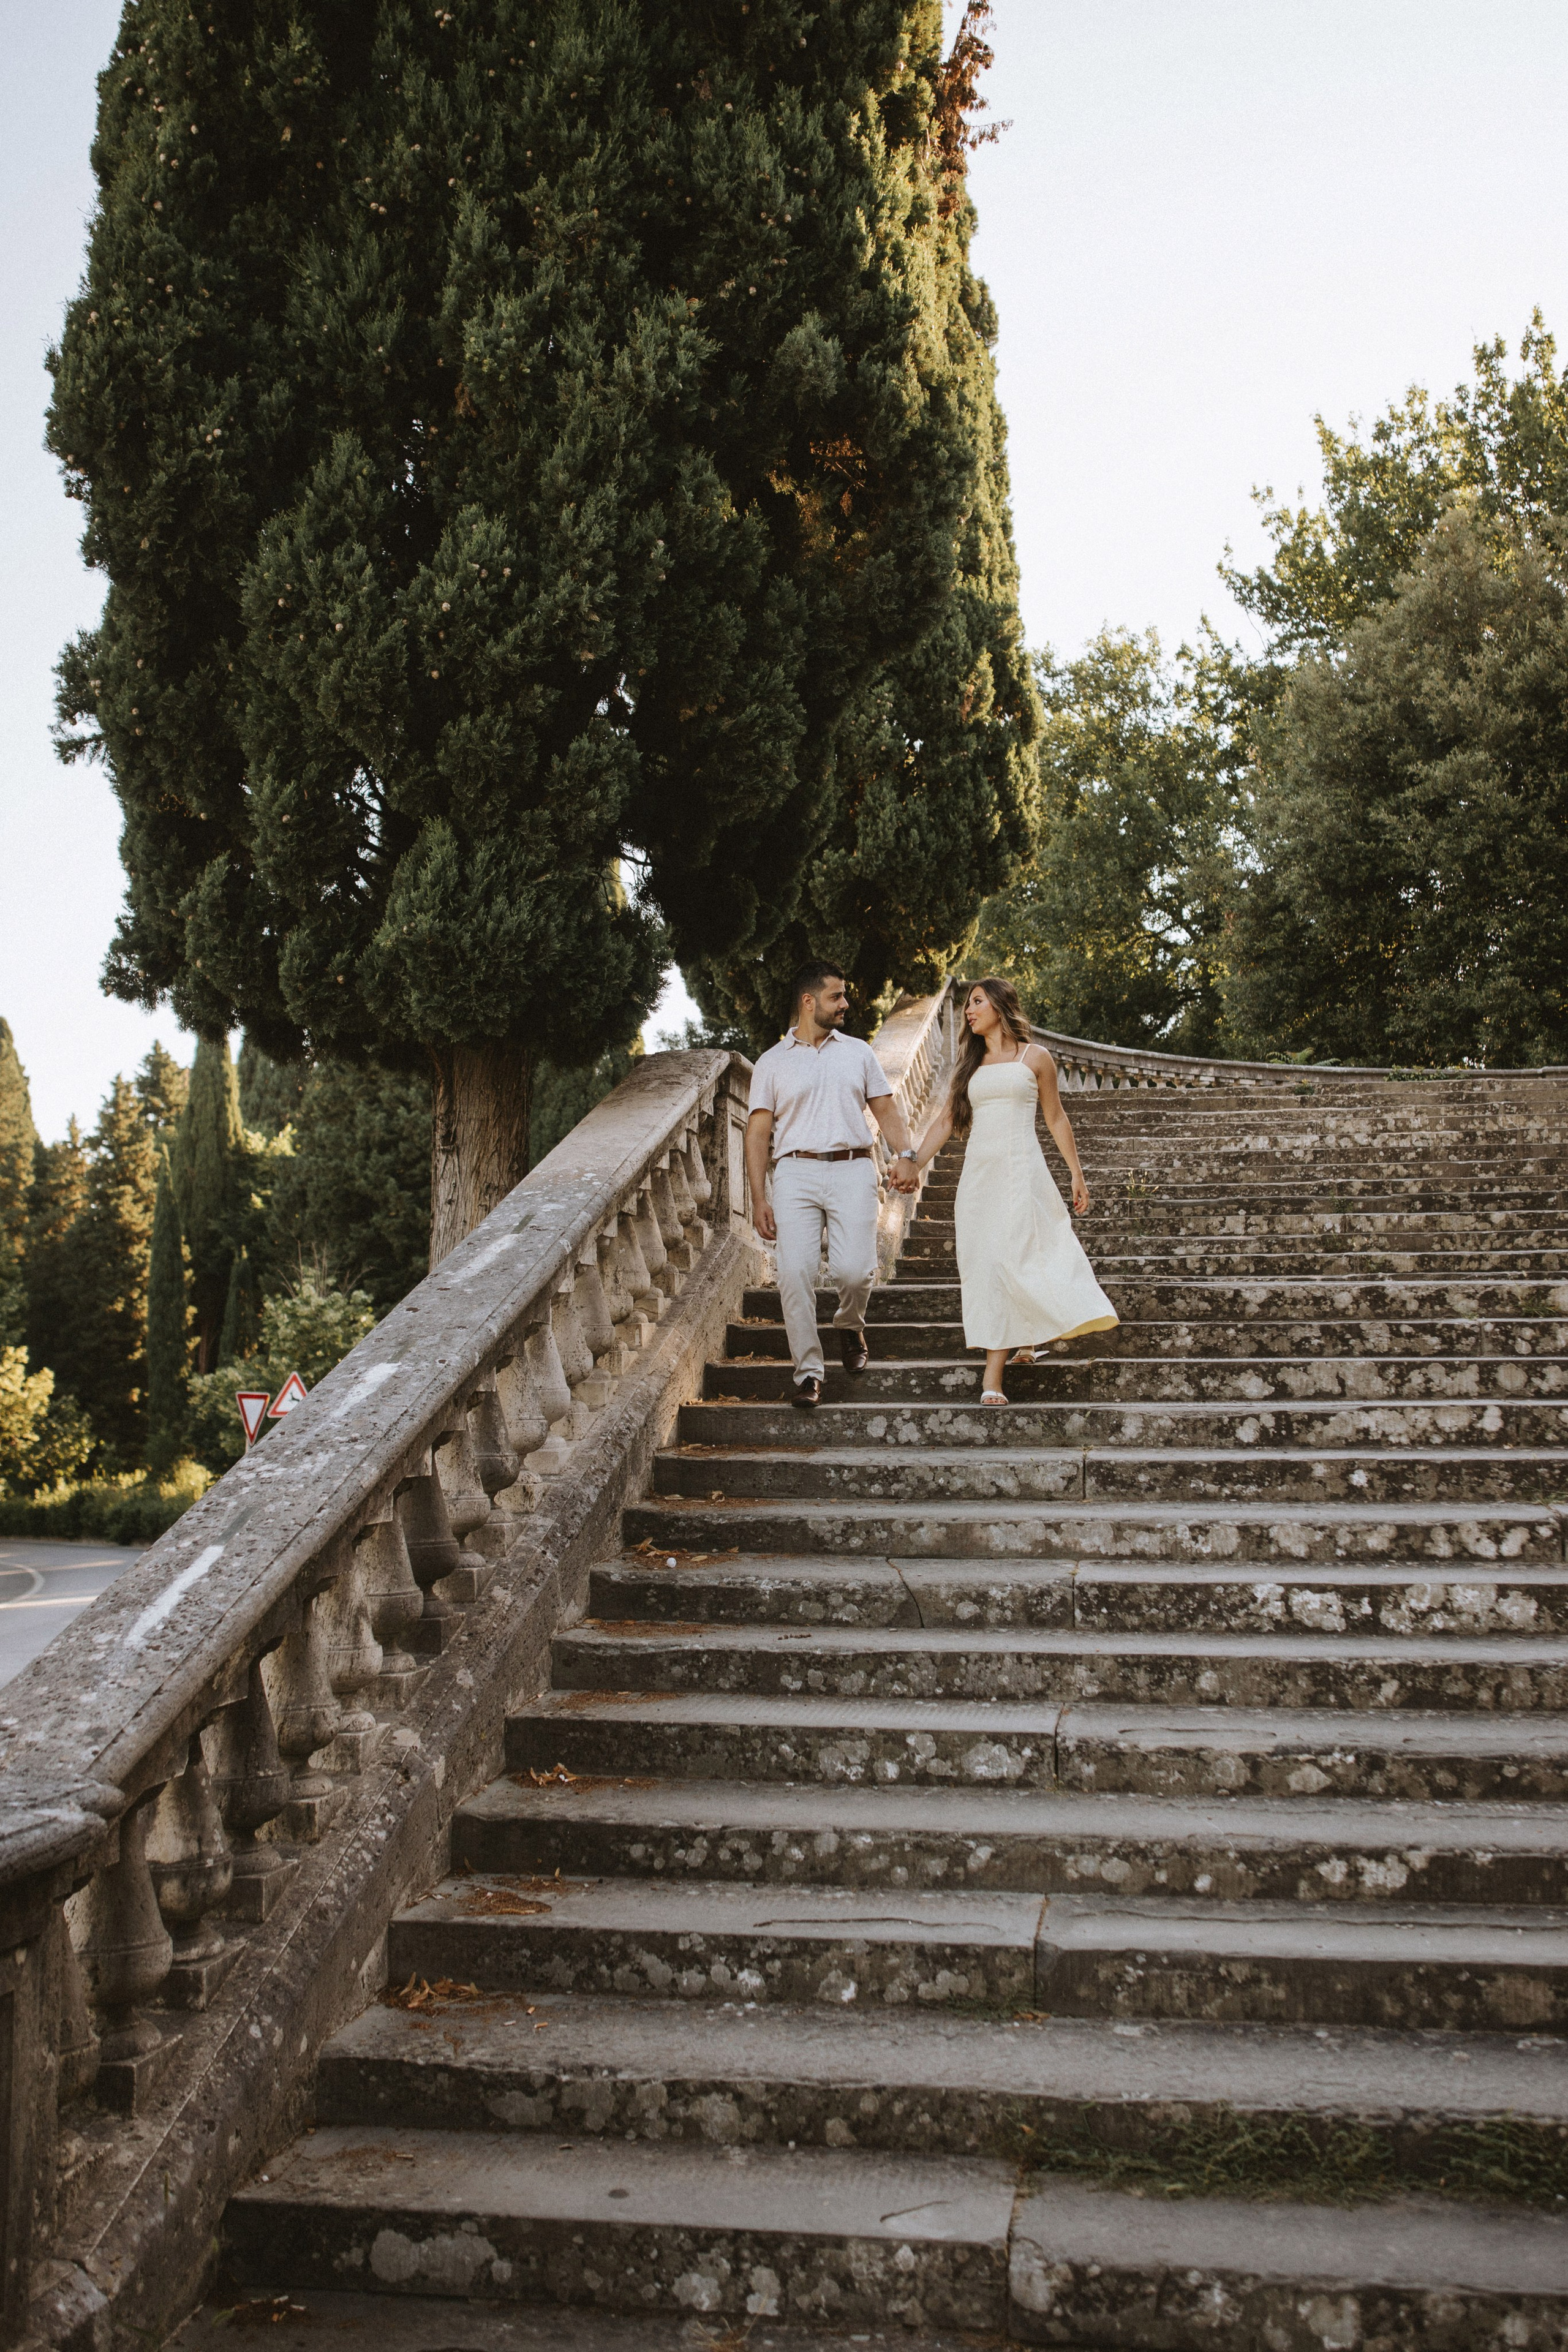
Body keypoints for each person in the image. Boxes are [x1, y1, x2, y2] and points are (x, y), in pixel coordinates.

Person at [909, 975, 1117, 1403]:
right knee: (983, 1263)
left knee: (1011, 1257)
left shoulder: (1035, 1058)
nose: (969, 1011)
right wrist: (913, 1162)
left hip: (1021, 1174)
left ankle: (992, 1377)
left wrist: (1076, 1174)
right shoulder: (969, 1066)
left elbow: (1056, 1118)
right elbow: (947, 1121)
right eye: (968, 1004)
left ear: (1001, 1006)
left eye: (977, 1002)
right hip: (978, 1179)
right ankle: (1021, 1339)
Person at [745, 960, 919, 1408]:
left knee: (855, 1272)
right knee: (795, 1273)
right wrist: (759, 1197)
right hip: (795, 1173)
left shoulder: (858, 1052)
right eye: (836, 996)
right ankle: (808, 1374)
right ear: (809, 1002)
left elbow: (885, 1110)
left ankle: (849, 1325)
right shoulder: (771, 1063)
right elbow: (758, 1134)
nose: (845, 1003)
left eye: (844, 995)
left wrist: (907, 1156)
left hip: (853, 1167)